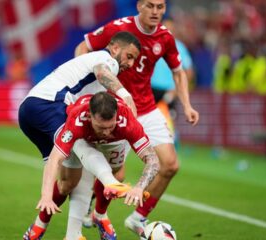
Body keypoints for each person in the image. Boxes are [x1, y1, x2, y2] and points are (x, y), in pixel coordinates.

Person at [74, 0, 199, 237]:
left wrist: (187, 104)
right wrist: (83, 81)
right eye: (150, 6)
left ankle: (138, 217)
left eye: (160, 7)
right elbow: (84, 47)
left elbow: (178, 72)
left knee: (170, 165)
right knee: (116, 175)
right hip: (118, 109)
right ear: (140, 6)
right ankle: (92, 205)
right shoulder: (118, 28)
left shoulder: (165, 38)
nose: (155, 12)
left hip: (148, 108)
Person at [19, 31, 141, 240]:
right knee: (84, 148)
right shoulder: (105, 59)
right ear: (114, 48)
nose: (130, 63)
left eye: (134, 59)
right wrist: (125, 95)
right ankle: (107, 184)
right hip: (49, 105)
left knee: (68, 182)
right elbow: (103, 72)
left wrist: (46, 195)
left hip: (30, 111)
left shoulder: (92, 72)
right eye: (129, 56)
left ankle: (36, 230)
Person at [24, 92, 160, 240]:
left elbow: (153, 160)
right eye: (101, 127)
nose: (107, 132)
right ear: (89, 116)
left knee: (118, 177)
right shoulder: (77, 119)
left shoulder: (126, 121)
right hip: (82, 138)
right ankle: (40, 223)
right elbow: (54, 159)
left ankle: (99, 215)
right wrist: (46, 196)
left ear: (116, 115)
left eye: (110, 126)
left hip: (117, 141)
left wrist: (139, 188)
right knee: (66, 185)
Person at [151, 18, 194, 149]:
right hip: (150, 88)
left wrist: (176, 89)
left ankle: (170, 147)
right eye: (165, 28)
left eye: (171, 29)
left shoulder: (179, 47)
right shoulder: (152, 44)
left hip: (169, 88)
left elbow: (189, 71)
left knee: (169, 118)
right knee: (149, 120)